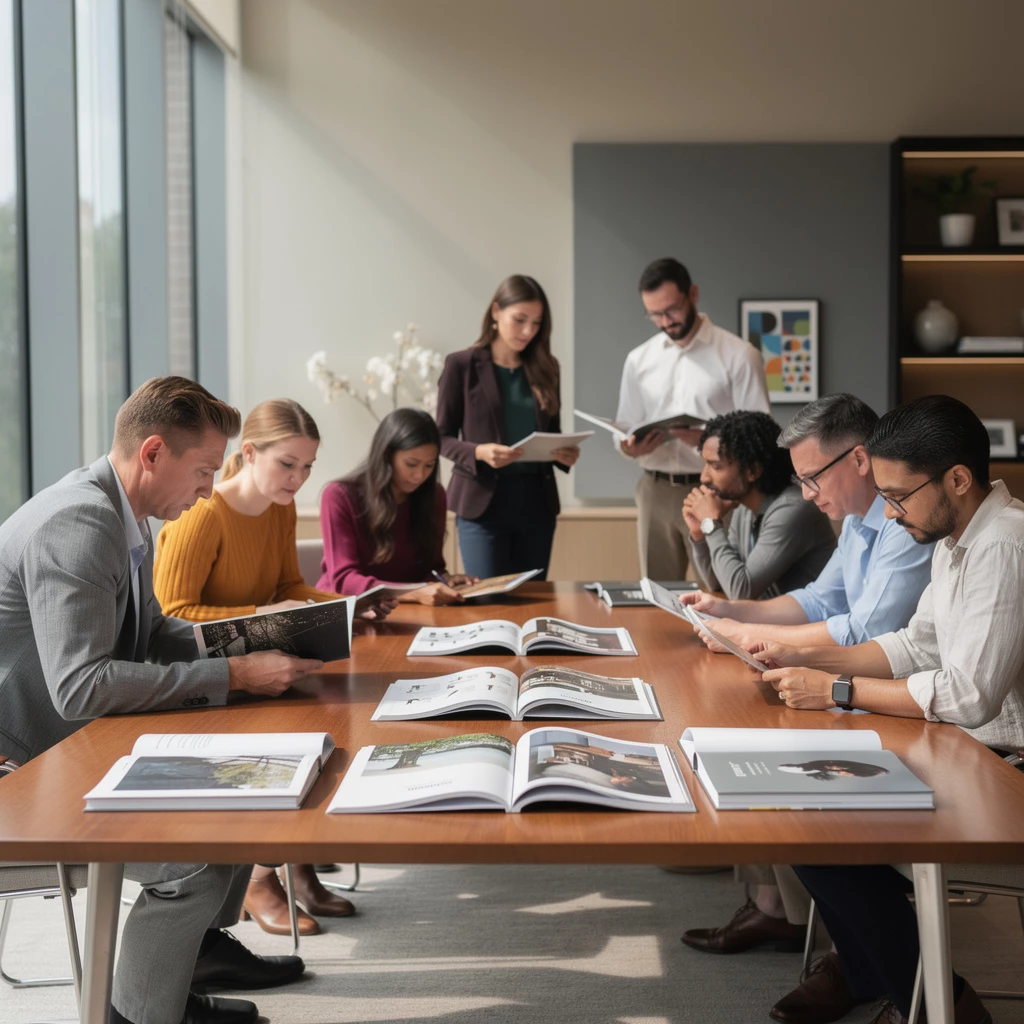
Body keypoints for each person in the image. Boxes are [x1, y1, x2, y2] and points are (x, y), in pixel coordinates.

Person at [0, 377, 322, 1024]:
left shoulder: (122, 513)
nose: (210, 487)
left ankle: (184, 964)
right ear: (152, 453)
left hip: (67, 741)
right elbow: (81, 686)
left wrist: (255, 644)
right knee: (197, 851)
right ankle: (137, 1016)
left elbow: (153, 634)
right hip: (23, 769)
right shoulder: (80, 524)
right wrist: (235, 677)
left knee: (247, 792)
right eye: (203, 469)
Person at [752, 395, 1024, 1024]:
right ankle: (899, 979)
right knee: (798, 814)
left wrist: (838, 692)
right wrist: (814, 663)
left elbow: (969, 694)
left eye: (900, 497)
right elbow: (914, 643)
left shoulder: (1004, 546)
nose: (892, 513)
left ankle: (935, 1003)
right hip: (967, 749)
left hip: (1005, 768)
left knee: (822, 829)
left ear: (957, 479)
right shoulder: (956, 537)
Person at [678, 394, 934, 973]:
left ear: (860, 460)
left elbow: (871, 630)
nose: (808, 492)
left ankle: (861, 962)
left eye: (813, 477)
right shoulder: (854, 522)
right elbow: (822, 598)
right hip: (854, 686)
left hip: (895, 699)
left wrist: (770, 642)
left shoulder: (902, 525)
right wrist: (734, 614)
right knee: (740, 745)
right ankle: (845, 952)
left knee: (792, 808)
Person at [154, 398, 359, 938]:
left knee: (340, 723)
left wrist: (339, 608)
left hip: (267, 671)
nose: (300, 477)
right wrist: (262, 614)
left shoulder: (279, 507)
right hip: (210, 685)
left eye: (309, 466)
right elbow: (170, 620)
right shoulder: (202, 516)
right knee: (311, 728)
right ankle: (259, 876)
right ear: (249, 453)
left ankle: (298, 861)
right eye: (288, 463)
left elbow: (287, 586)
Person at [616, 257, 770, 579]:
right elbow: (625, 424)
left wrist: (706, 441)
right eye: (654, 314)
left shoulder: (739, 355)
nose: (664, 321)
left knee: (718, 590)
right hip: (653, 490)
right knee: (655, 594)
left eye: (671, 309)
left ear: (693, 295)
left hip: (717, 493)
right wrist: (630, 447)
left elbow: (761, 437)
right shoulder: (638, 360)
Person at [436, 274, 579, 578]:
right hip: (482, 505)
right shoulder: (461, 366)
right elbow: (440, 437)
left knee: (533, 599)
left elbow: (552, 434)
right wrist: (478, 451)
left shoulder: (547, 368)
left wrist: (563, 454)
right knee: (489, 602)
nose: (528, 331)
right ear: (496, 311)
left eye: (537, 323)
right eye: (520, 319)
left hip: (536, 505)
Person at [318, 407, 475, 604]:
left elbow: (429, 569)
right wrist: (414, 593)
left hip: (407, 611)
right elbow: (344, 580)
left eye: (429, 465)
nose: (419, 476)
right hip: (350, 613)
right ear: (387, 455)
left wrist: (445, 581)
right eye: (411, 464)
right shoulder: (339, 496)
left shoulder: (434, 496)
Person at [684, 410, 836, 599]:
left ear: (752, 471)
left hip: (807, 625)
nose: (703, 477)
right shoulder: (744, 507)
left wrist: (711, 524)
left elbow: (741, 590)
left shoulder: (792, 509)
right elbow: (718, 583)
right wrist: (699, 533)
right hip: (771, 623)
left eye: (715, 466)